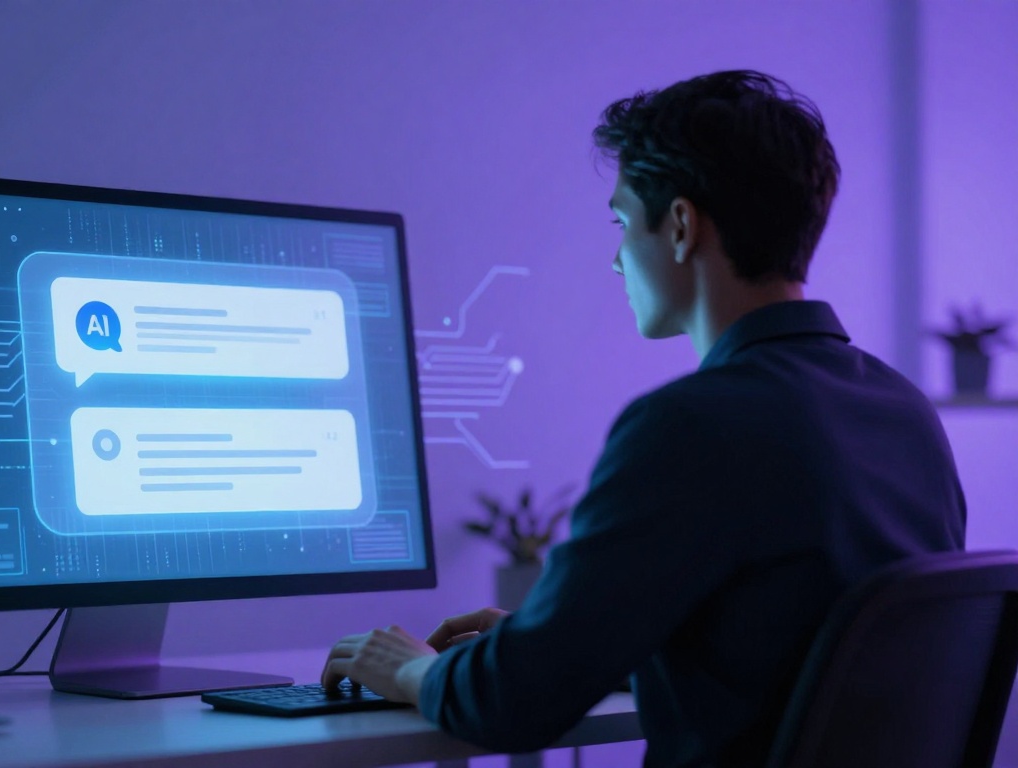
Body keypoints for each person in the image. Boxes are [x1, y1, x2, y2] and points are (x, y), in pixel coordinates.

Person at [320, 70, 966, 767]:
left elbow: (514, 705)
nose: (616, 257)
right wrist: (571, 640)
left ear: (682, 226)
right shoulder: (904, 412)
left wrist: (412, 669)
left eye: (623, 222)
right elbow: (799, 658)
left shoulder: (690, 427)